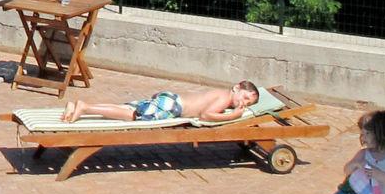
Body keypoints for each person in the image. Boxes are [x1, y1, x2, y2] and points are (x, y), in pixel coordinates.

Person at [59, 79, 262, 123]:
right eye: (244, 97)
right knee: (131, 115)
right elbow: (206, 115)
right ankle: (84, 108)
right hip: (174, 106)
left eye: (248, 103)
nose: (243, 103)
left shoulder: (221, 93)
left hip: (171, 99)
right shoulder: (225, 98)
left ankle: (79, 105)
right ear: (236, 88)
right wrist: (234, 115)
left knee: (126, 108)